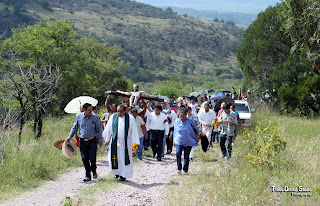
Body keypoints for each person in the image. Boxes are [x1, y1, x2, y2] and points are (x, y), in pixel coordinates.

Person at [66, 103, 103, 182]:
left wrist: (100, 140)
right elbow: (75, 127)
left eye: (91, 110)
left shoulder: (95, 117)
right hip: (82, 141)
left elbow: (99, 129)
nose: (91, 111)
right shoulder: (78, 116)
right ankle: (87, 175)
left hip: (92, 140)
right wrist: (70, 136)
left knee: (92, 158)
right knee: (84, 158)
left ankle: (94, 170)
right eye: (89, 110)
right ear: (84, 110)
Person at [102, 105, 140, 181]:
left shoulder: (130, 118)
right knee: (115, 158)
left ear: (125, 111)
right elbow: (109, 129)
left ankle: (123, 174)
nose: (119, 113)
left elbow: (134, 130)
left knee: (124, 159)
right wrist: (107, 140)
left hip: (126, 142)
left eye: (121, 111)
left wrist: (135, 143)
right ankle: (116, 173)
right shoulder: (113, 116)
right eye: (118, 111)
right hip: (115, 141)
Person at [173, 110, 199, 174]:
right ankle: (179, 168)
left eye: (183, 116)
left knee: (186, 156)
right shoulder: (176, 121)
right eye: (180, 116)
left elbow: (196, 129)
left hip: (188, 140)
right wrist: (174, 140)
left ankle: (185, 170)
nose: (182, 117)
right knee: (178, 153)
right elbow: (175, 131)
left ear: (186, 115)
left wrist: (197, 137)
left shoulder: (190, 121)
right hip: (179, 140)